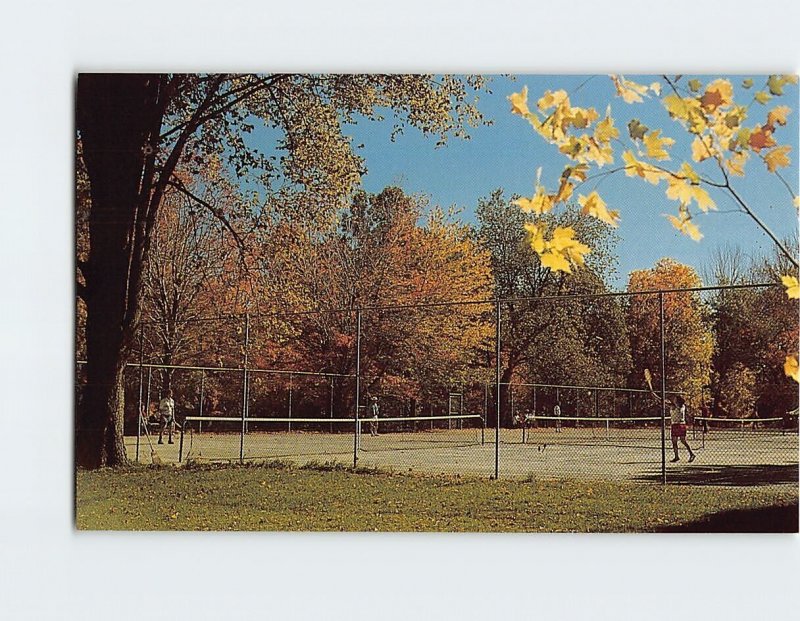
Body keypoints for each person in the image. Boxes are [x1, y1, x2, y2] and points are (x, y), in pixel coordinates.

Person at [652, 392, 696, 463]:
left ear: (678, 401)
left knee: (682, 441)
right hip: (676, 425)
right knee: (675, 441)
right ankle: (677, 457)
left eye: (675, 399)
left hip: (680, 425)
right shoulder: (678, 406)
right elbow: (663, 401)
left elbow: (665, 402)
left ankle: (691, 454)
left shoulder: (677, 406)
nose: (673, 399)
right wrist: (655, 395)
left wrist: (656, 396)